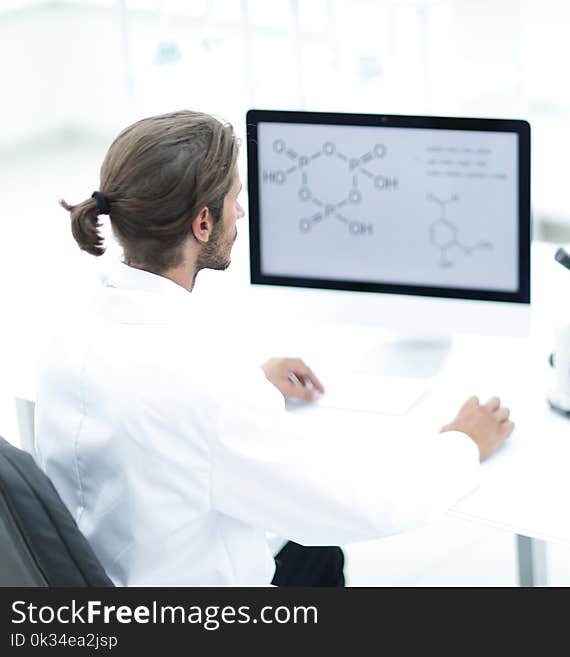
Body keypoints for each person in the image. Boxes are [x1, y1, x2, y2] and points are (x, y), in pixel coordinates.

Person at [35, 110, 514, 587]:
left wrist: (245, 393)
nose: (240, 212)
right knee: (321, 545)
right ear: (203, 222)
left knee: (316, 556)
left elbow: (157, 415)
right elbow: (361, 505)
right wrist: (463, 443)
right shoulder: (205, 386)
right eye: (235, 199)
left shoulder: (69, 331)